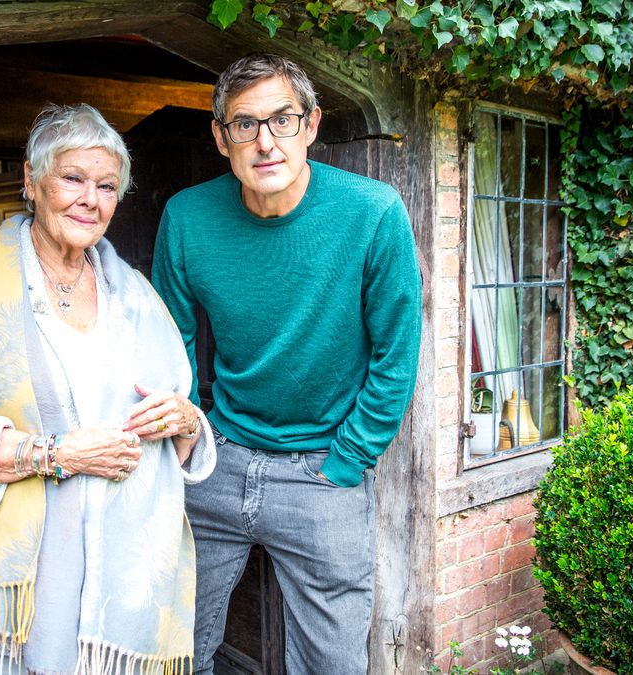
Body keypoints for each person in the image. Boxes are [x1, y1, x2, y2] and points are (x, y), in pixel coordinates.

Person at [0, 103, 216, 675]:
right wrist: (54, 455)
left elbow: (184, 412)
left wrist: (181, 420)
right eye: (73, 178)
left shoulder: (135, 292)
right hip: (18, 578)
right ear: (32, 181)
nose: (91, 198)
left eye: (107, 186)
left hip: (120, 575)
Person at [151, 53, 422, 674]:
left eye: (283, 120)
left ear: (312, 125)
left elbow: (395, 352)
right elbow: (171, 342)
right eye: (245, 124)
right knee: (172, 645)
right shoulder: (187, 218)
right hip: (217, 462)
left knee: (333, 664)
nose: (265, 142)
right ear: (221, 138)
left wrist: (350, 458)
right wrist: (192, 437)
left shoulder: (373, 213)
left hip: (323, 474)